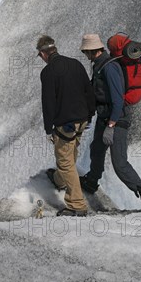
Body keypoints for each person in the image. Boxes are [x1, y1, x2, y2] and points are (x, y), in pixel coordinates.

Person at [79, 34, 141, 209]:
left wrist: (111, 125)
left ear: (91, 50)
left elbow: (118, 99)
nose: (85, 55)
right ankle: (92, 181)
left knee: (119, 163)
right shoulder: (99, 65)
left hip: (117, 117)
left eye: (86, 52)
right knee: (96, 150)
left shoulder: (110, 67)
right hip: (105, 116)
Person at [37, 35, 95, 217]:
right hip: (82, 120)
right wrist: (90, 115)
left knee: (65, 161)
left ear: (42, 54)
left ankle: (76, 204)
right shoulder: (75, 64)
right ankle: (59, 180)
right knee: (71, 153)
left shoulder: (48, 72)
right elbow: (89, 91)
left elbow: (48, 103)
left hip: (65, 124)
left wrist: (48, 129)